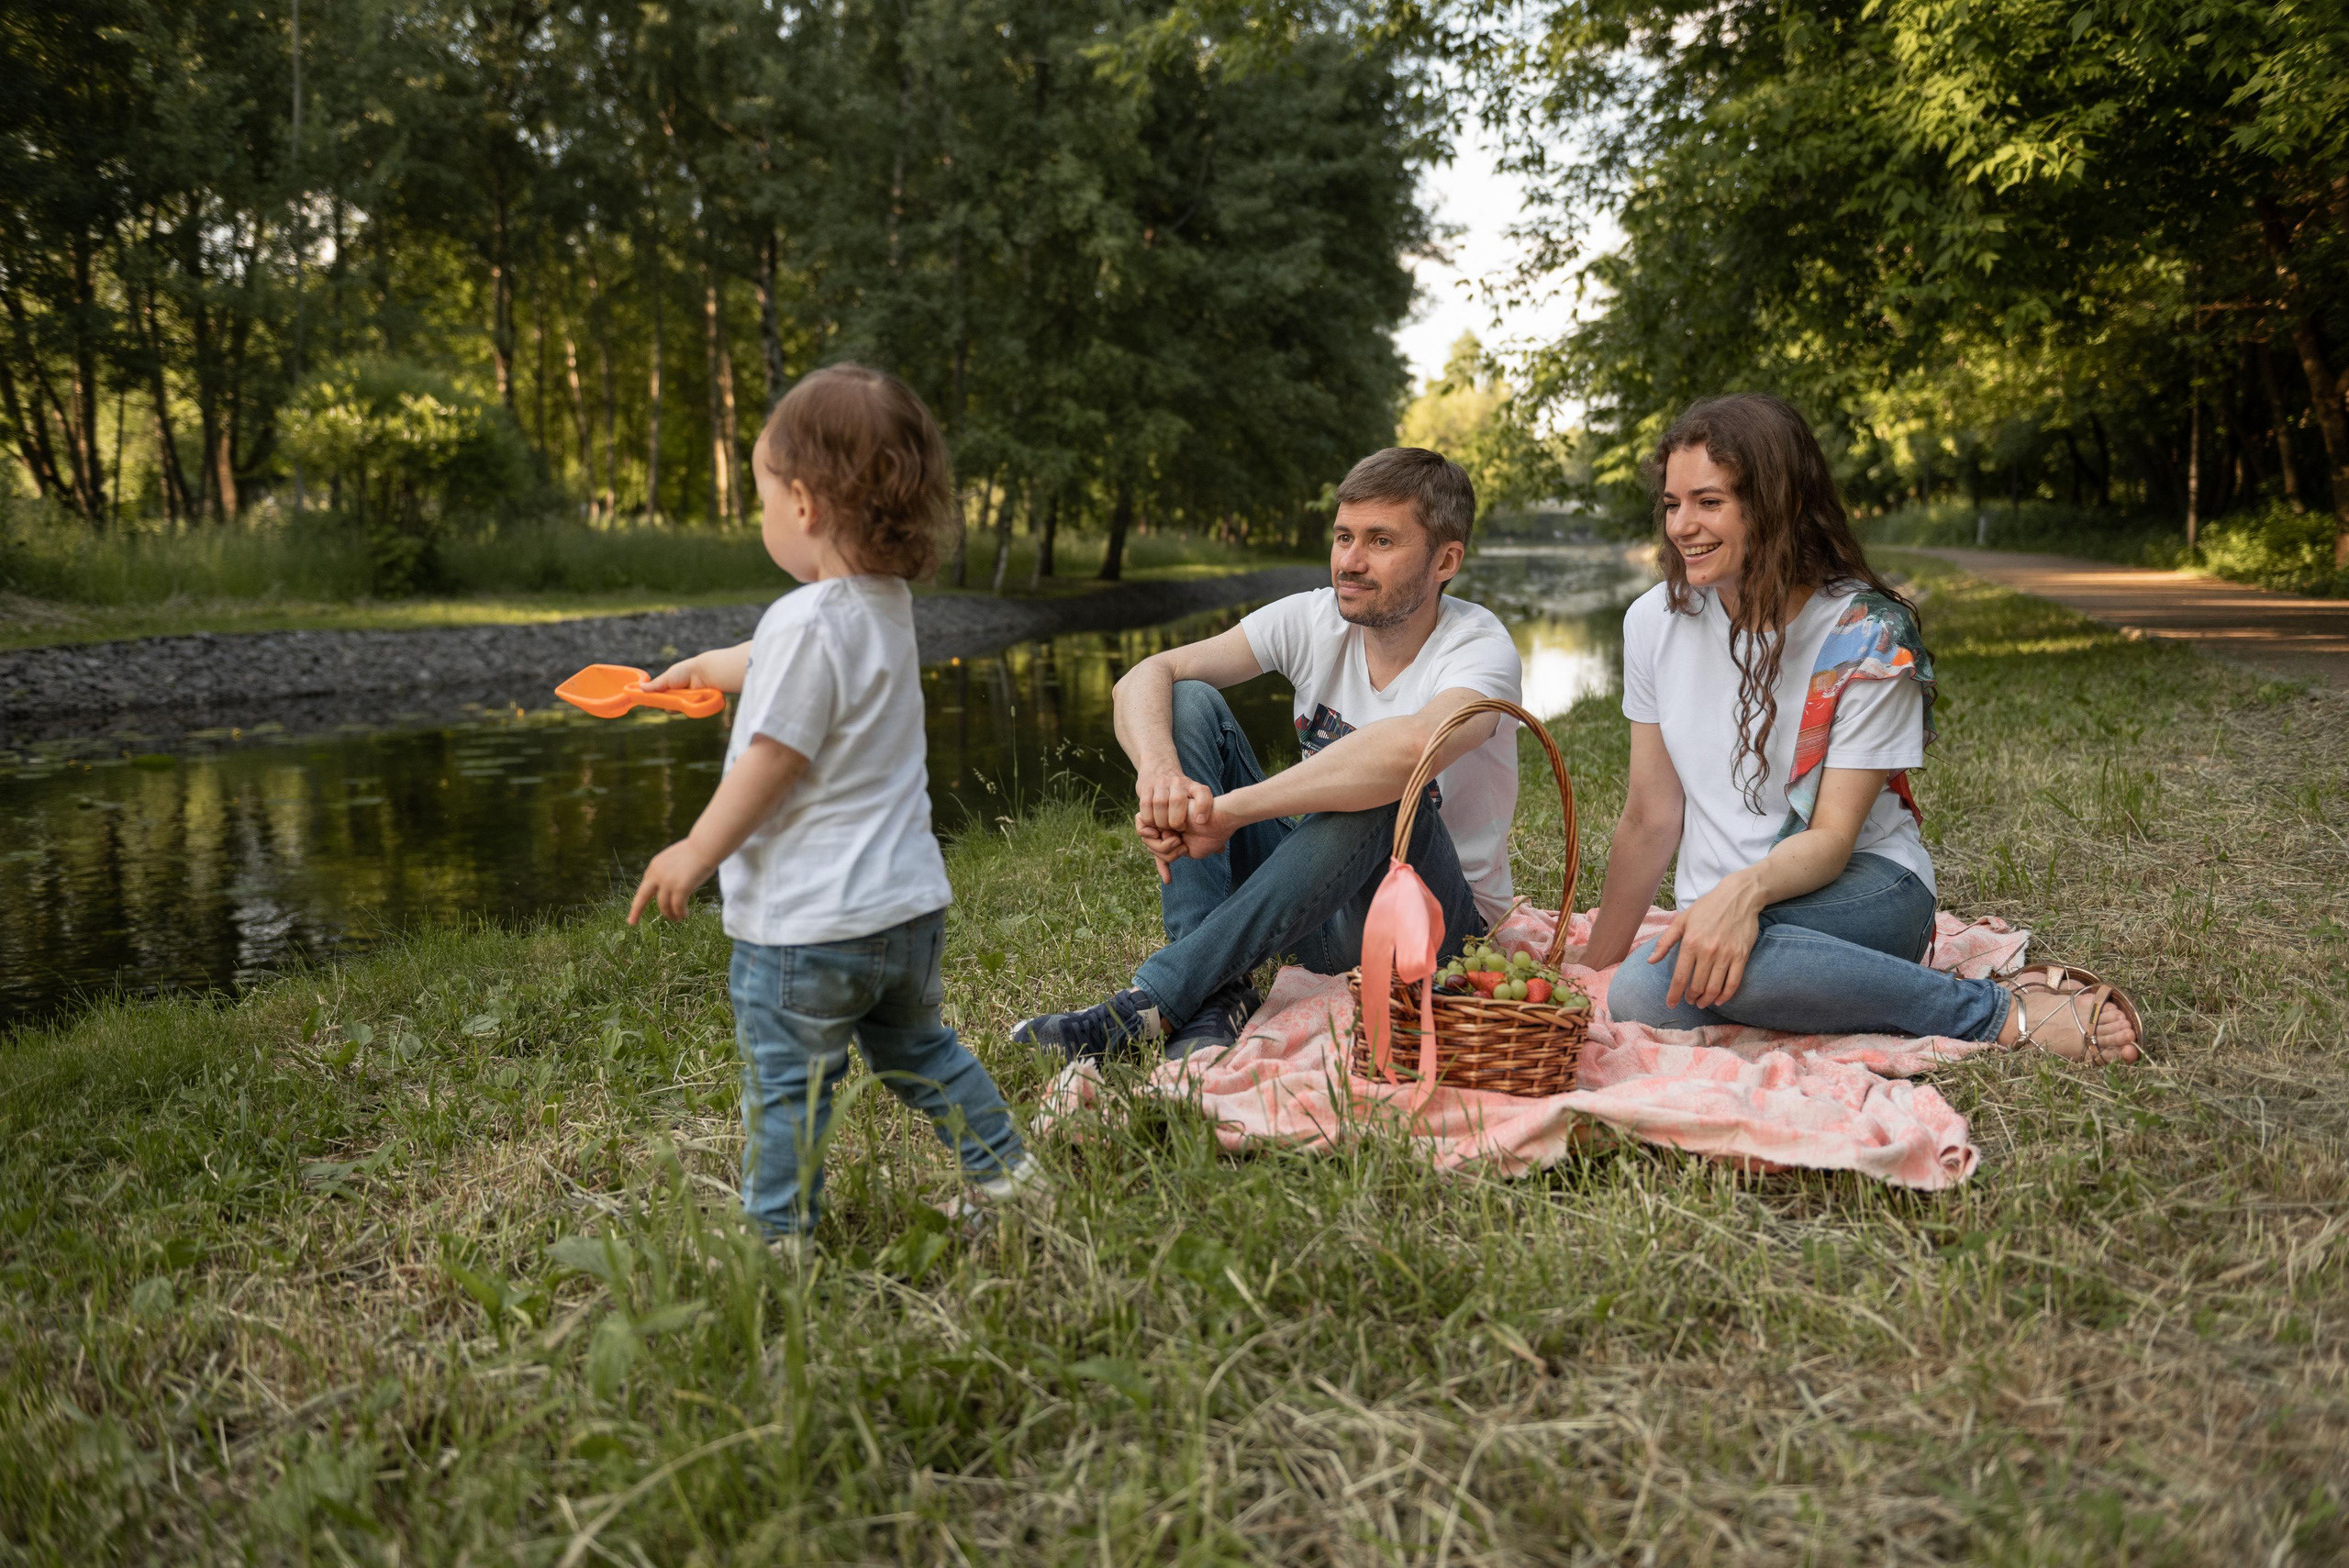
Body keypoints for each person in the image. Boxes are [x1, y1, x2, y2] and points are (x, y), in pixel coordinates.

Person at [1579, 393, 2142, 1062]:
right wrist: (1591, 967)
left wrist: (1741, 893)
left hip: (1862, 889)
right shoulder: (1653, 621)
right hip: (1724, 912)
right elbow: (1649, 816)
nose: (1682, 526)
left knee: (1661, 978)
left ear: (1775, 503)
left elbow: (1832, 840)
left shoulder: (1867, 635)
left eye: (1709, 502)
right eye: (1672, 504)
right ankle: (1813, 984)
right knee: (1636, 990)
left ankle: (1997, 1012)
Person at [628, 362, 1043, 1244]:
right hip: (903, 914)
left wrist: (697, 849)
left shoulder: (804, 621)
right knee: (922, 1051)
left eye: (765, 498)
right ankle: (1010, 1177)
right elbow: (791, 654)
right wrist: (706, 668)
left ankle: (778, 1240)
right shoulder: (883, 606)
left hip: (807, 927)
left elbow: (775, 755)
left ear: (807, 505)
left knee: (789, 1088)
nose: (765, 516)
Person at [1013, 448, 1525, 1061]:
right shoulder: (1315, 619)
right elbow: (1146, 674)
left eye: (1381, 541)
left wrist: (1230, 813)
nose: (1351, 562)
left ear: (1446, 560)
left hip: (1434, 932)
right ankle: (1214, 992)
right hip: (1318, 906)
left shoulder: (1480, 648)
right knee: (1187, 700)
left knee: (1388, 786)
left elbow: (1414, 747)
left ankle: (1162, 995)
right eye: (1343, 536)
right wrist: (1161, 775)